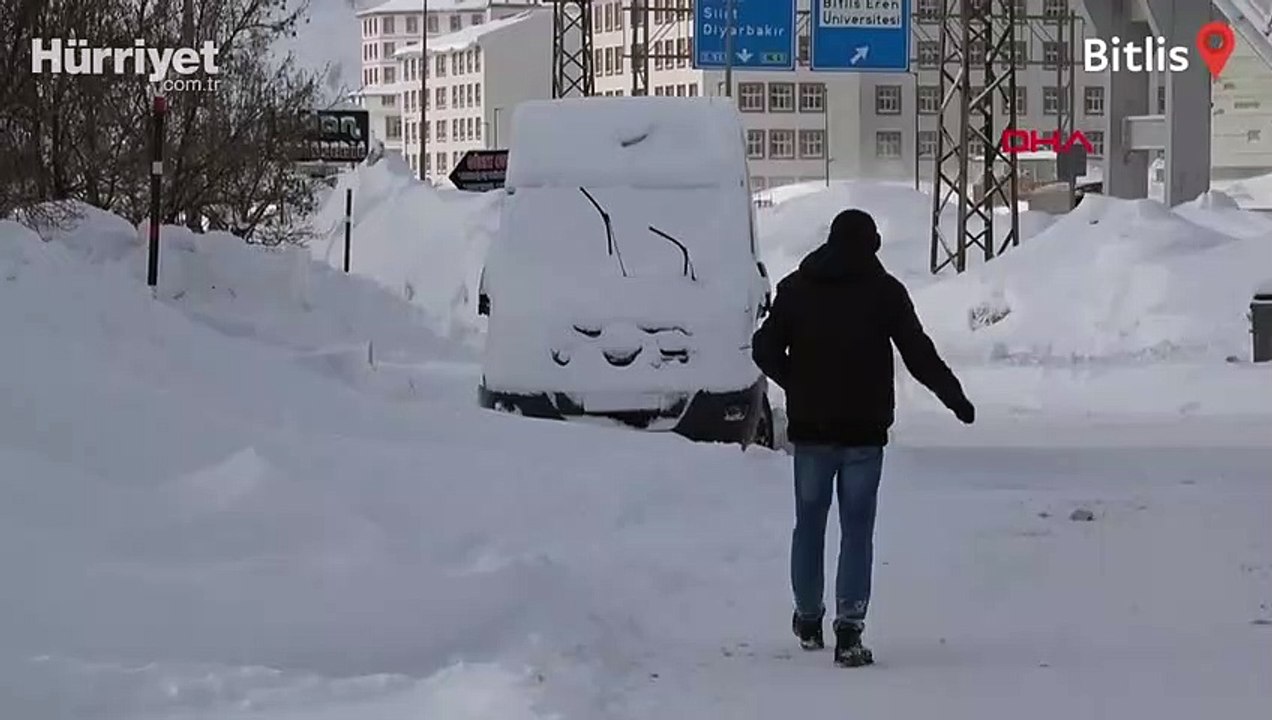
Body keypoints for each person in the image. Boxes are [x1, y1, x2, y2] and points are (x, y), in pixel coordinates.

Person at [751, 208, 975, 668]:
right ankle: (849, 631)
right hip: (863, 434)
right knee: (857, 529)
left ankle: (809, 618)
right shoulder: (885, 293)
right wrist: (955, 397)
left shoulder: (797, 289)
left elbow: (763, 347)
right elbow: (918, 353)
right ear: (871, 245)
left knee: (809, 524)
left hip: (812, 432)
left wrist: (796, 381)